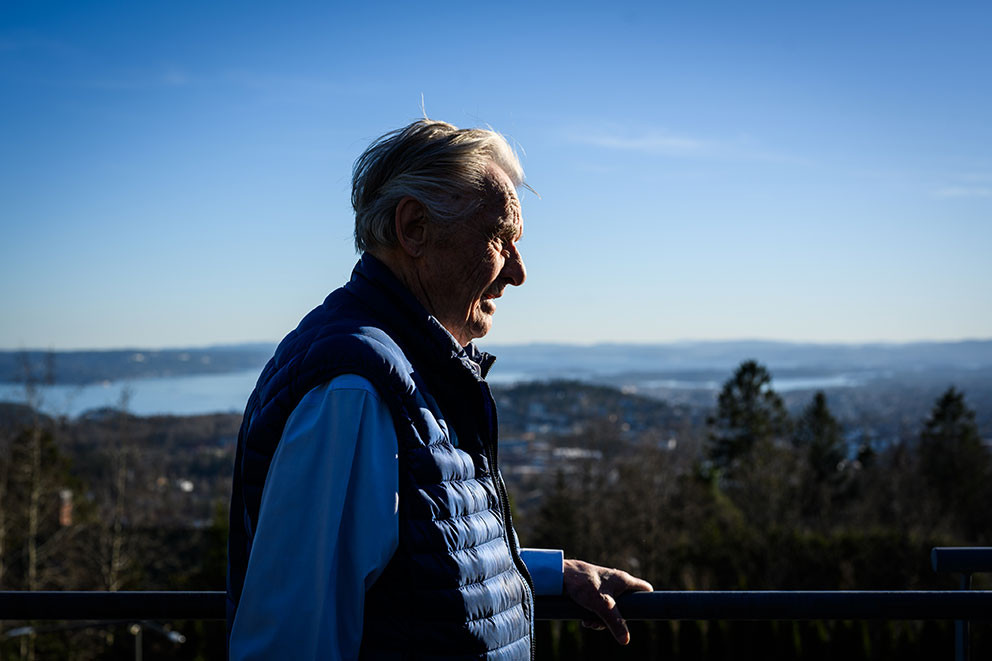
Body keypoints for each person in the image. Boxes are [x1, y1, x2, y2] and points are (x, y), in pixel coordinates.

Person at [226, 119, 652, 660]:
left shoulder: (411, 366)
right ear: (414, 228)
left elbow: (414, 559)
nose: (517, 273)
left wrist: (545, 573)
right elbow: (291, 642)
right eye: (500, 239)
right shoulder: (353, 389)